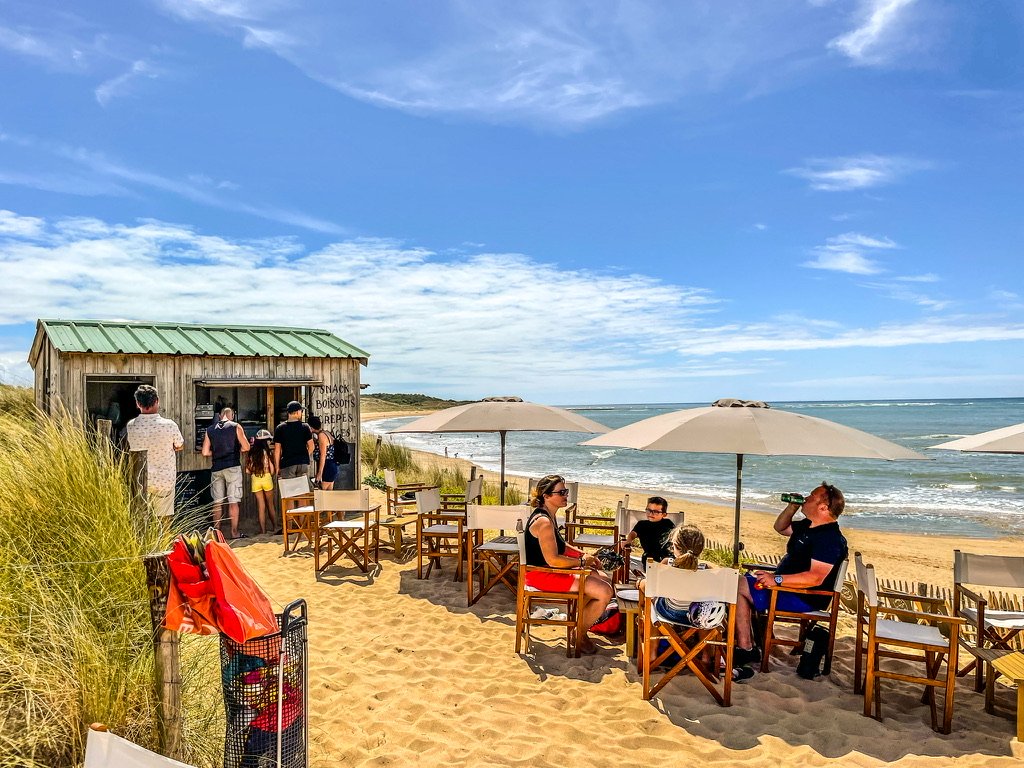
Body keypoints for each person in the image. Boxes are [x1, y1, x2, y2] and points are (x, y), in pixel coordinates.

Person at [733, 482, 849, 669]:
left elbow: (815, 578)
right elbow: (780, 527)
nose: (806, 498)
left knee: (738, 586)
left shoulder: (830, 539)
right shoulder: (808, 525)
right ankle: (751, 643)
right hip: (785, 588)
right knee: (738, 584)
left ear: (823, 507)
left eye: (811, 496)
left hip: (804, 597)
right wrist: (791, 507)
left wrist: (776, 579)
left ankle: (746, 647)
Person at [524, 474, 614, 655]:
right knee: (604, 591)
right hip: (541, 574)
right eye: (562, 492)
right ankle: (579, 633)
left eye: (566, 491)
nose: (566, 495)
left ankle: (579, 625)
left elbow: (561, 546)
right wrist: (581, 562)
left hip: (549, 571)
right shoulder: (544, 522)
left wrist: (585, 555)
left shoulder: (549, 515)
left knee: (603, 578)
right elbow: (553, 559)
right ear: (546, 496)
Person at [125, 384, 184, 526]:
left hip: (141, 480)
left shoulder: (131, 425)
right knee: (164, 522)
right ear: (157, 401)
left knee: (142, 522)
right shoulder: (169, 425)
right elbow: (179, 445)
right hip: (164, 480)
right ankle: (163, 546)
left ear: (138, 403)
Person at [201, 407, 250, 539]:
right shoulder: (235, 426)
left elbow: (205, 452)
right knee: (233, 501)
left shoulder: (210, 430)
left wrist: (216, 453)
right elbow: (246, 447)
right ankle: (234, 533)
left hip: (216, 468)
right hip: (233, 466)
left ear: (220, 415)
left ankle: (217, 534)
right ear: (231, 415)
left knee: (217, 502)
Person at [622, 495, 675, 568]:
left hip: (669, 558)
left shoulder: (668, 523)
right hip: (650, 559)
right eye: (649, 510)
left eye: (656, 512)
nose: (651, 514)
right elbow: (633, 533)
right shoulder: (642, 524)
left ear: (664, 514)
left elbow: (676, 537)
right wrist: (629, 540)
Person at [246, 429, 279, 535]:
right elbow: (272, 469)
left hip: (255, 479)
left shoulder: (251, 453)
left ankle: (263, 530)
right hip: (266, 477)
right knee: (270, 504)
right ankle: (274, 527)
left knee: (261, 506)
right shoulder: (267, 452)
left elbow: (247, 470)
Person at [274, 401, 313, 480]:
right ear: (298, 412)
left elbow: (277, 450)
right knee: (302, 490)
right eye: (301, 411)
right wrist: (304, 456)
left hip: (287, 463)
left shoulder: (280, 428)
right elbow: (311, 446)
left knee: (289, 490)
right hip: (302, 464)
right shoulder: (305, 427)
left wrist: (277, 467)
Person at [308, 415, 339, 490]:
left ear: (311, 427)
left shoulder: (321, 436)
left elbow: (323, 455)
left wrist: (319, 473)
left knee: (321, 494)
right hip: (332, 465)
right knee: (328, 495)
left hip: (327, 466)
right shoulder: (326, 433)